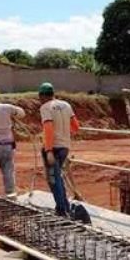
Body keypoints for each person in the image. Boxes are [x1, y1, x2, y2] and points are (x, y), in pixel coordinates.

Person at [38, 82, 80, 217]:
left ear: (42, 96)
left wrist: (49, 150)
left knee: (53, 180)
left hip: (53, 149)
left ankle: (62, 211)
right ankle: (65, 206)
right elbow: (75, 127)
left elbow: (48, 128)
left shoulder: (45, 107)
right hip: (65, 147)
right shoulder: (66, 105)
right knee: (58, 177)